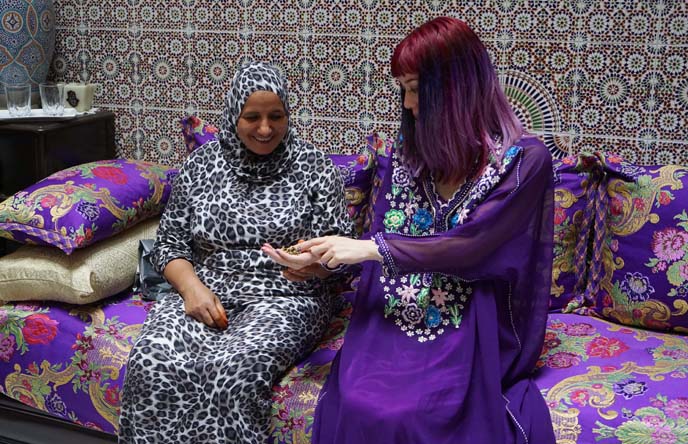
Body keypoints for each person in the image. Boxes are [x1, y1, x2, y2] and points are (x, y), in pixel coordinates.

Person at [262, 17, 556, 444]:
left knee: (420, 412)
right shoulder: (410, 156)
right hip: (389, 323)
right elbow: (379, 250)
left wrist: (363, 250)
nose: (409, 105)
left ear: (456, 87)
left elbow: (471, 248)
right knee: (360, 399)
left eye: (416, 88)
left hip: (470, 327)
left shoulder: (523, 162)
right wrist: (322, 264)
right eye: (404, 90)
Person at [118, 62, 353, 443]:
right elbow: (171, 245)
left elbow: (340, 253)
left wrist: (313, 267)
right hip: (208, 290)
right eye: (253, 117)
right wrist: (191, 289)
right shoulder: (201, 165)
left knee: (233, 371)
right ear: (234, 115)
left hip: (287, 296)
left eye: (276, 116)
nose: (265, 129)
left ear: (288, 114)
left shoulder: (314, 167)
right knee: (151, 362)